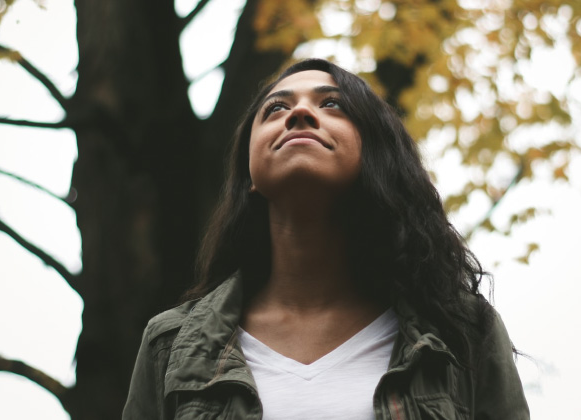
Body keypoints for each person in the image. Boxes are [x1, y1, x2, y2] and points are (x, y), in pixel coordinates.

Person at [122, 58, 529, 419]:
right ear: (249, 177)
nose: (299, 112)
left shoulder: (463, 332)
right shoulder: (169, 346)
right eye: (276, 108)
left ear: (374, 154)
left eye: (331, 103)